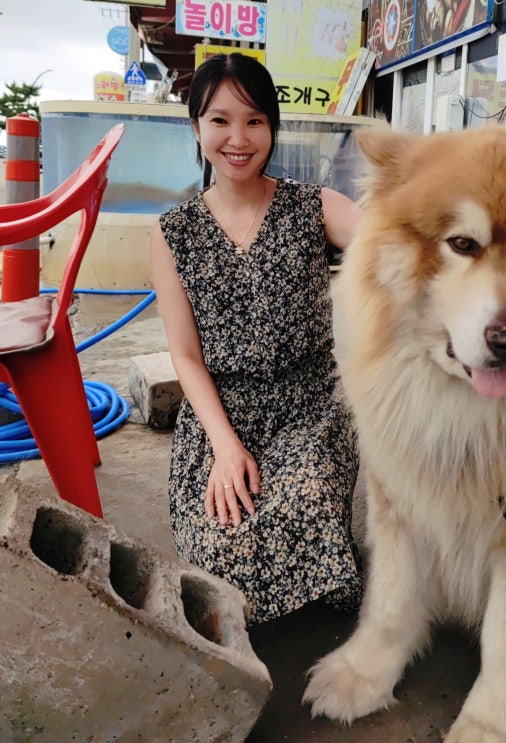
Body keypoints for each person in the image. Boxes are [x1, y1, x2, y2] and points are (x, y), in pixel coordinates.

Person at [150, 53, 363, 624]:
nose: (238, 138)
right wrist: (223, 446)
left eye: (254, 121)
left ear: (272, 127)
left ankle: (321, 575)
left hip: (311, 406)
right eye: (219, 121)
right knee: (223, 539)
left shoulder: (313, 206)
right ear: (196, 127)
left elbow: (394, 244)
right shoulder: (173, 233)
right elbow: (186, 356)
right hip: (221, 413)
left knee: (303, 497)